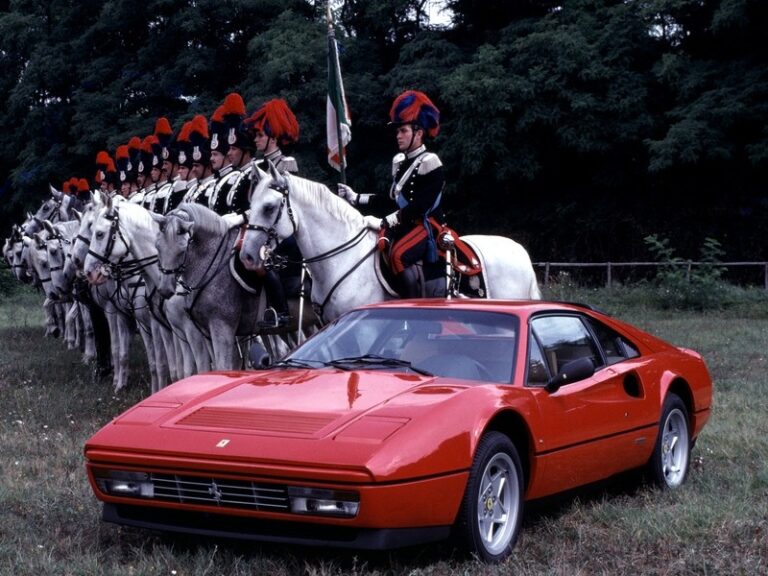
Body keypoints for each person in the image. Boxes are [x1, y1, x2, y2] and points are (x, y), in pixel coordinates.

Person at [337, 90, 445, 297]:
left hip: (425, 225)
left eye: (403, 131)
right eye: (397, 131)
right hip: (405, 224)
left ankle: (414, 307)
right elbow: (391, 199)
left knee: (398, 255)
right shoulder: (401, 163)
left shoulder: (430, 162)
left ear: (418, 133)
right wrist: (356, 197)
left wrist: (385, 222)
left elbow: (420, 206)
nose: (398, 135)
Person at [243, 98, 301, 328]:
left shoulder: (287, 163)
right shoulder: (258, 167)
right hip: (263, 228)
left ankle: (282, 313)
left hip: (284, 230)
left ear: (273, 138)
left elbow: (288, 202)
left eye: (260, 135)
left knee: (263, 260)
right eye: (255, 135)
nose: (255, 139)